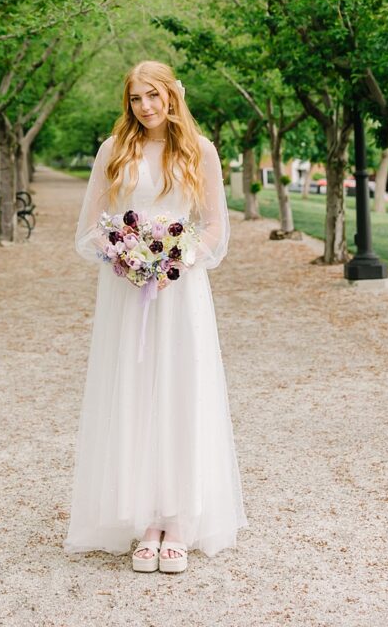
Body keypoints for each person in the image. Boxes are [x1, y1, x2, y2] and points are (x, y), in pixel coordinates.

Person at [63, 60, 248, 573]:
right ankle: (145, 519)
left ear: (171, 97)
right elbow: (92, 228)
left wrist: (175, 260)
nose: (145, 107)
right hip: (125, 290)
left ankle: (180, 520)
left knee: (179, 390)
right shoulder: (113, 150)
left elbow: (212, 227)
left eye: (153, 96)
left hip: (180, 290)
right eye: (136, 99)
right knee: (136, 390)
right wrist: (124, 255)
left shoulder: (199, 151)